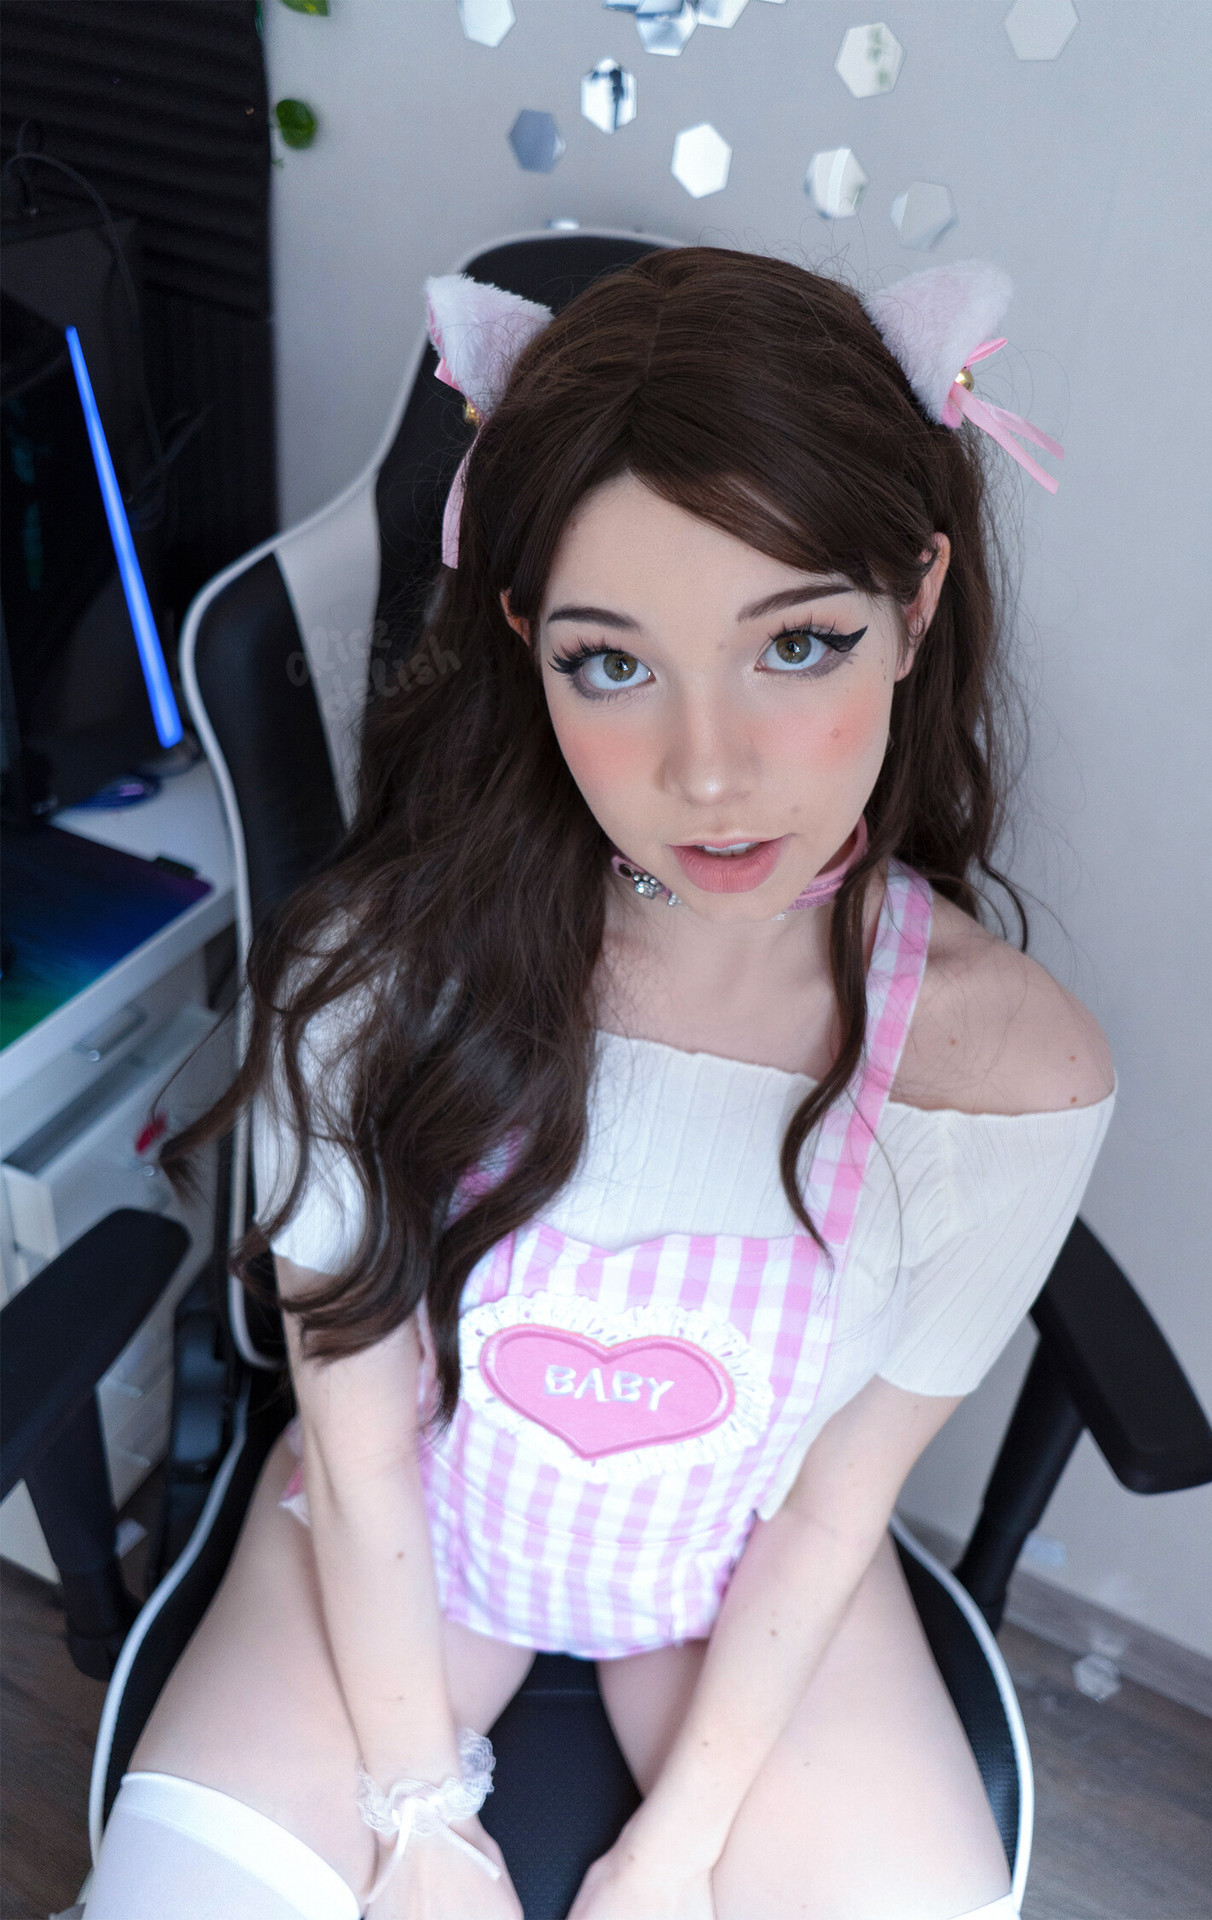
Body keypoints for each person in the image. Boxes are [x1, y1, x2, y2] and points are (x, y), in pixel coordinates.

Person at [81, 246, 1114, 1920]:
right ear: (528, 641)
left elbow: (836, 1504)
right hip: (405, 1548)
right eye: (612, 664)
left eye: (799, 643)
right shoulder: (375, 977)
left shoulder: (1006, 1069)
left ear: (915, 604)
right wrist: (421, 1819)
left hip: (742, 1583)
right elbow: (357, 1433)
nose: (708, 772)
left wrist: (675, 1850)